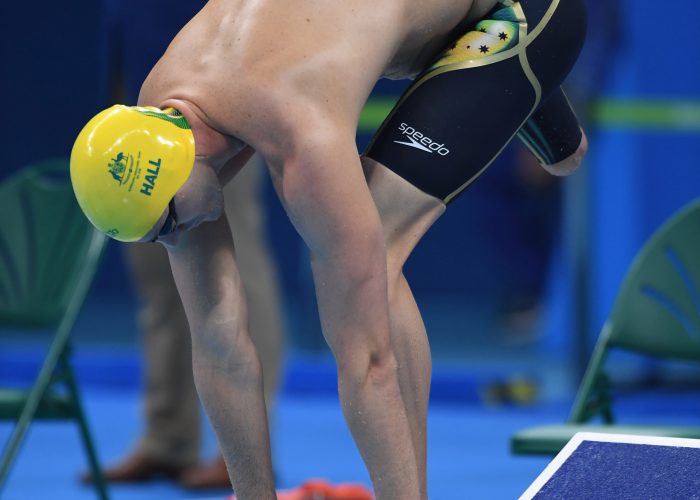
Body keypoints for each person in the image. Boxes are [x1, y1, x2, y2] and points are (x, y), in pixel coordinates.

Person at [70, 0, 588, 498]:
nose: (174, 240)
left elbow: (369, 363)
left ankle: (537, 80)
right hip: (407, 32)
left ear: (185, 158)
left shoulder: (301, 133)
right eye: (155, 235)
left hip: (515, 14)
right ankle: (545, 112)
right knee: (564, 154)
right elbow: (218, 346)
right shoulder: (155, 120)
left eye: (169, 224)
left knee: (375, 249)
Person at [81, 0, 284, 489]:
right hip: (136, 103)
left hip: (218, 109)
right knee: (157, 278)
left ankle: (245, 449)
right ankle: (167, 438)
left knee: (232, 276)